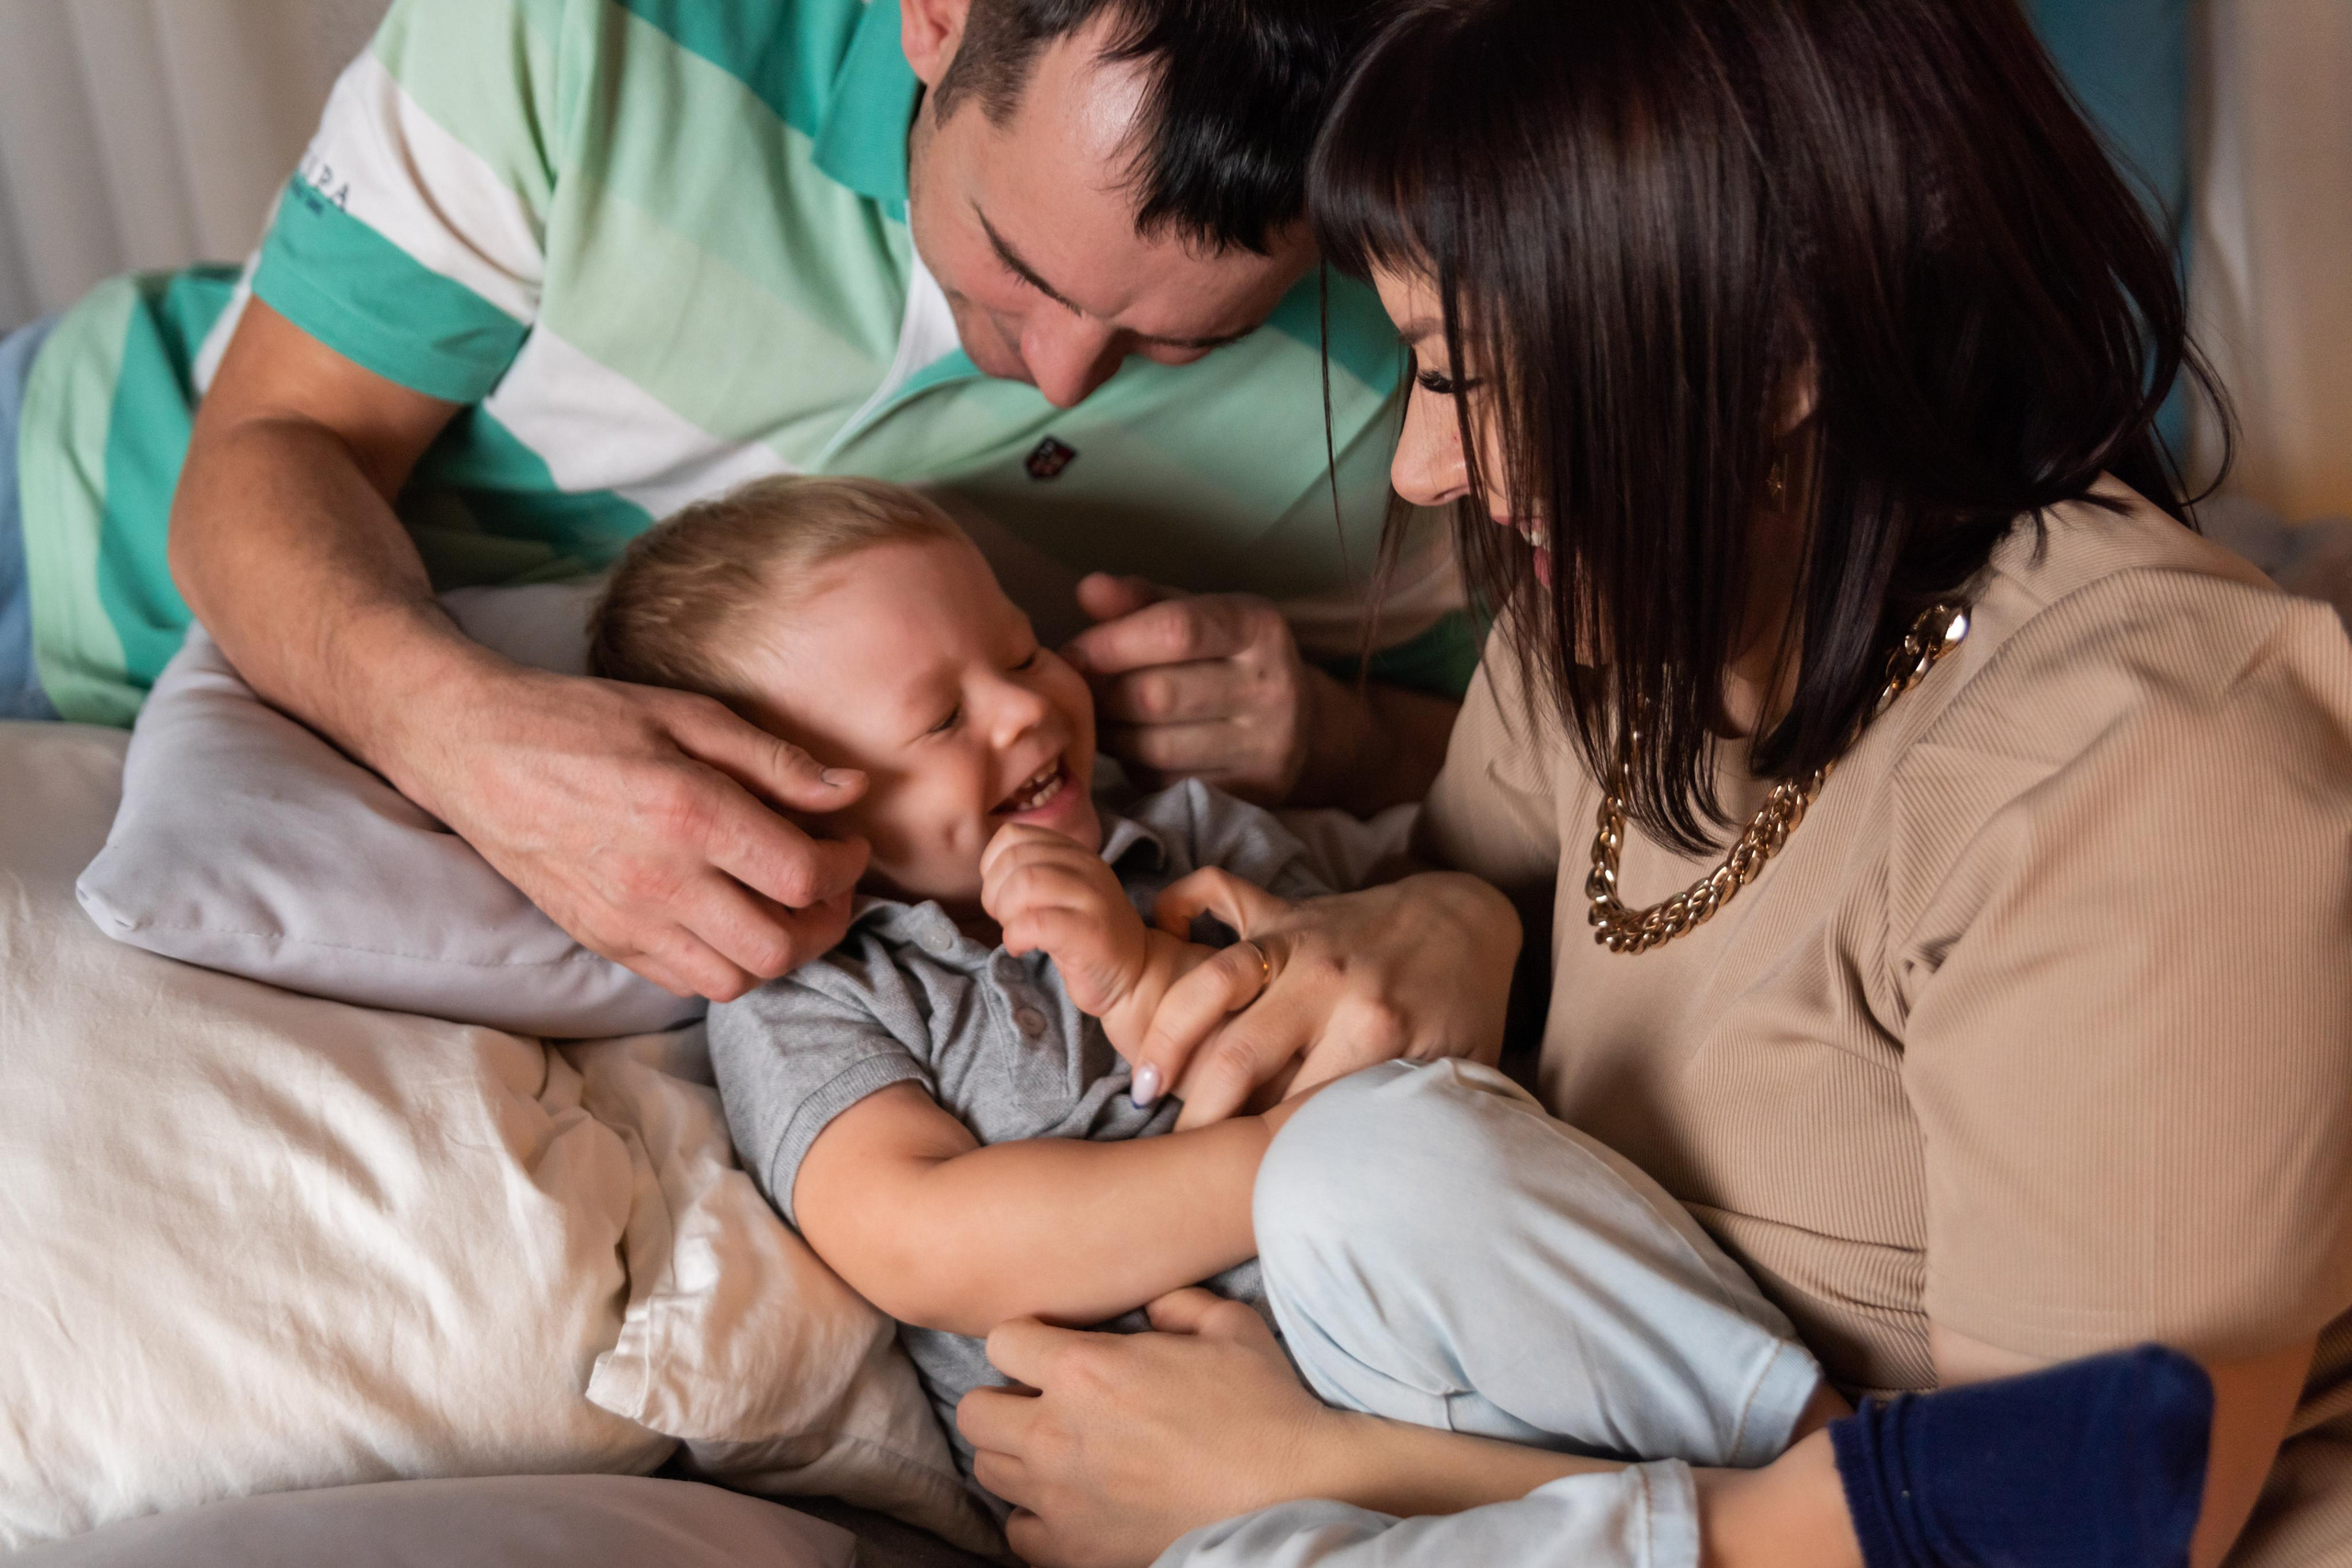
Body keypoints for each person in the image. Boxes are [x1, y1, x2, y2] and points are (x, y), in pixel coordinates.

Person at [949, 2, 2352, 1566]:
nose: (1421, 468)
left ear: (1779, 353)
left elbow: (2065, 1529)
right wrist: (1456, 915)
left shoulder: (2134, 758)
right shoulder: (1615, 614)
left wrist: (1311, 1478)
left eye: (1455, 374)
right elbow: (1464, 1054)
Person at [0, 0, 1475, 1008]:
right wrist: (467, 743)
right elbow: (271, 445)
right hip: (83, 519)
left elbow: (1497, 762)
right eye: (1019, 262)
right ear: (939, 16)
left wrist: (1337, 736)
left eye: (1179, 343)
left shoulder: (1382, 364)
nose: (1064, 377)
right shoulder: (599, 31)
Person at [592, 473, 1849, 1524]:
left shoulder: (1178, 840)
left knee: (1394, 1155)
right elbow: (922, 1239)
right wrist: (1271, 1156)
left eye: (1021, 649)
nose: (1026, 705)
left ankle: (1817, 1452)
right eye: (940, 719)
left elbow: (1372, 1043)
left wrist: (1146, 969)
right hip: (1161, 1470)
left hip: (1412, 1336)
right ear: (781, 802)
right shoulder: (821, 987)